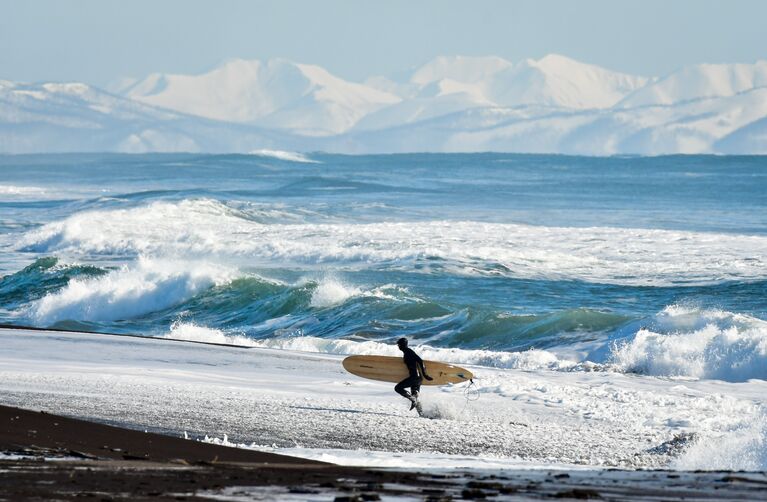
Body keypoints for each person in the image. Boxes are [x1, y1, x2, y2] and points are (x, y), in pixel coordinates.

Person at [394, 337, 432, 413]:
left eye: (399, 344)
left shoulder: (408, 351)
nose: (398, 346)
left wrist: (425, 374)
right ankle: (423, 414)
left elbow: (420, 361)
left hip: (414, 378)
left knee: (398, 388)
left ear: (402, 344)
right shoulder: (407, 352)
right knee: (415, 398)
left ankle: (412, 398)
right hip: (417, 379)